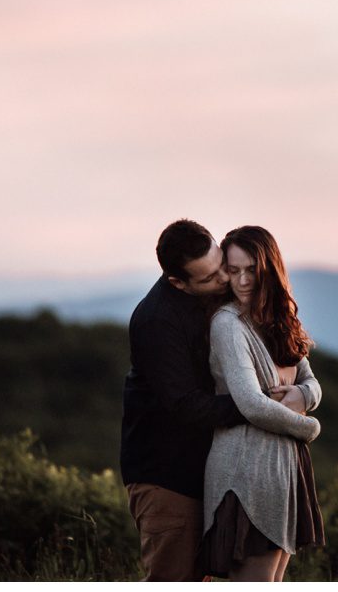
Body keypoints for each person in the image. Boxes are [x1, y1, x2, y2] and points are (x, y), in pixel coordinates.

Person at [120, 219, 251, 582]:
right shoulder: (156, 320)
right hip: (167, 479)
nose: (224, 280)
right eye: (209, 278)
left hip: (207, 472)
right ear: (177, 281)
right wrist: (259, 408)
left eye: (221, 265)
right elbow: (185, 405)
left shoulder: (215, 295)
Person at [199, 225, 325, 582]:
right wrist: (309, 426)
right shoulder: (228, 324)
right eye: (233, 270)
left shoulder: (279, 320)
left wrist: (303, 396)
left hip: (284, 469)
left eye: (250, 270)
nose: (241, 281)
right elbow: (252, 404)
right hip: (245, 471)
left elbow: (311, 382)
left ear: (269, 268)